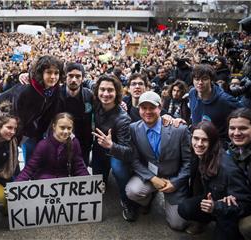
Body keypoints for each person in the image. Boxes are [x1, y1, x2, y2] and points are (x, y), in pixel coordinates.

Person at [100, 91, 191, 230]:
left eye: (152, 107)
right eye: (144, 108)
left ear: (160, 108)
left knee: (178, 224)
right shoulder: (133, 129)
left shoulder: (180, 129)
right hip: (150, 176)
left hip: (174, 178)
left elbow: (189, 162)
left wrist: (176, 182)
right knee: (132, 191)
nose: (148, 111)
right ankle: (148, 198)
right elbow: (134, 160)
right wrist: (153, 178)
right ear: (139, 109)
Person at [178, 121, 251, 239]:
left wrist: (217, 207)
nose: (199, 144)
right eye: (196, 138)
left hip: (228, 212)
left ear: (212, 142)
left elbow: (245, 204)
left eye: (204, 140)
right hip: (212, 201)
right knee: (184, 208)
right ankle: (204, 221)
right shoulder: (198, 154)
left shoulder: (227, 169)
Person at [0, 55, 64, 163]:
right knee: (8, 155)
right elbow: (17, 120)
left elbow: (47, 117)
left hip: (29, 124)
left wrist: (40, 137)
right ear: (41, 73)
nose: (53, 77)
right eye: (49, 72)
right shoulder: (26, 90)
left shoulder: (54, 89)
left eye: (56, 73)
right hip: (2, 119)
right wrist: (15, 143)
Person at [91, 74, 136, 222]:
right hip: (98, 151)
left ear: (117, 92)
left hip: (117, 154)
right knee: (99, 182)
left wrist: (111, 145)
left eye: (110, 90)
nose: (105, 94)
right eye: (102, 89)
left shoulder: (123, 118)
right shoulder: (95, 104)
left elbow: (128, 152)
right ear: (97, 91)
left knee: (119, 171)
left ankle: (127, 201)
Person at [16, 112, 89, 181]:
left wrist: (91, 183)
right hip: (44, 182)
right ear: (54, 126)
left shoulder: (74, 143)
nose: (66, 131)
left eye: (69, 128)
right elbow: (30, 169)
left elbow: (79, 167)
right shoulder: (43, 145)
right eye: (62, 128)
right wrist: (15, 186)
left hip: (64, 183)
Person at [189, 64, 241, 144]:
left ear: (211, 80)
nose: (200, 82)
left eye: (204, 79)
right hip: (197, 143)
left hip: (217, 147)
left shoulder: (224, 100)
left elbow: (244, 115)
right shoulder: (192, 93)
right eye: (197, 79)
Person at [59, 62, 93, 166]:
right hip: (60, 141)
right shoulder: (56, 95)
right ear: (65, 77)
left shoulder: (90, 95)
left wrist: (120, 104)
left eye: (78, 76)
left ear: (83, 78)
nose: (74, 80)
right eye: (70, 76)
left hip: (84, 143)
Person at [226, 108, 251, 240]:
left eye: (243, 128)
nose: (236, 133)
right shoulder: (233, 149)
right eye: (232, 128)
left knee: (246, 227)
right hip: (241, 199)